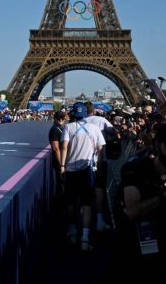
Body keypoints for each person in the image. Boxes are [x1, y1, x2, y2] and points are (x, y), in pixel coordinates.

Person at [59, 101, 106, 251]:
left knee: (71, 203)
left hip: (71, 170)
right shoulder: (94, 128)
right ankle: (85, 237)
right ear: (86, 113)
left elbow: (64, 146)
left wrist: (62, 166)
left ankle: (72, 231)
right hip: (87, 170)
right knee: (87, 204)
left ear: (73, 113)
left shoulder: (68, 127)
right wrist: (98, 168)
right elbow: (100, 150)